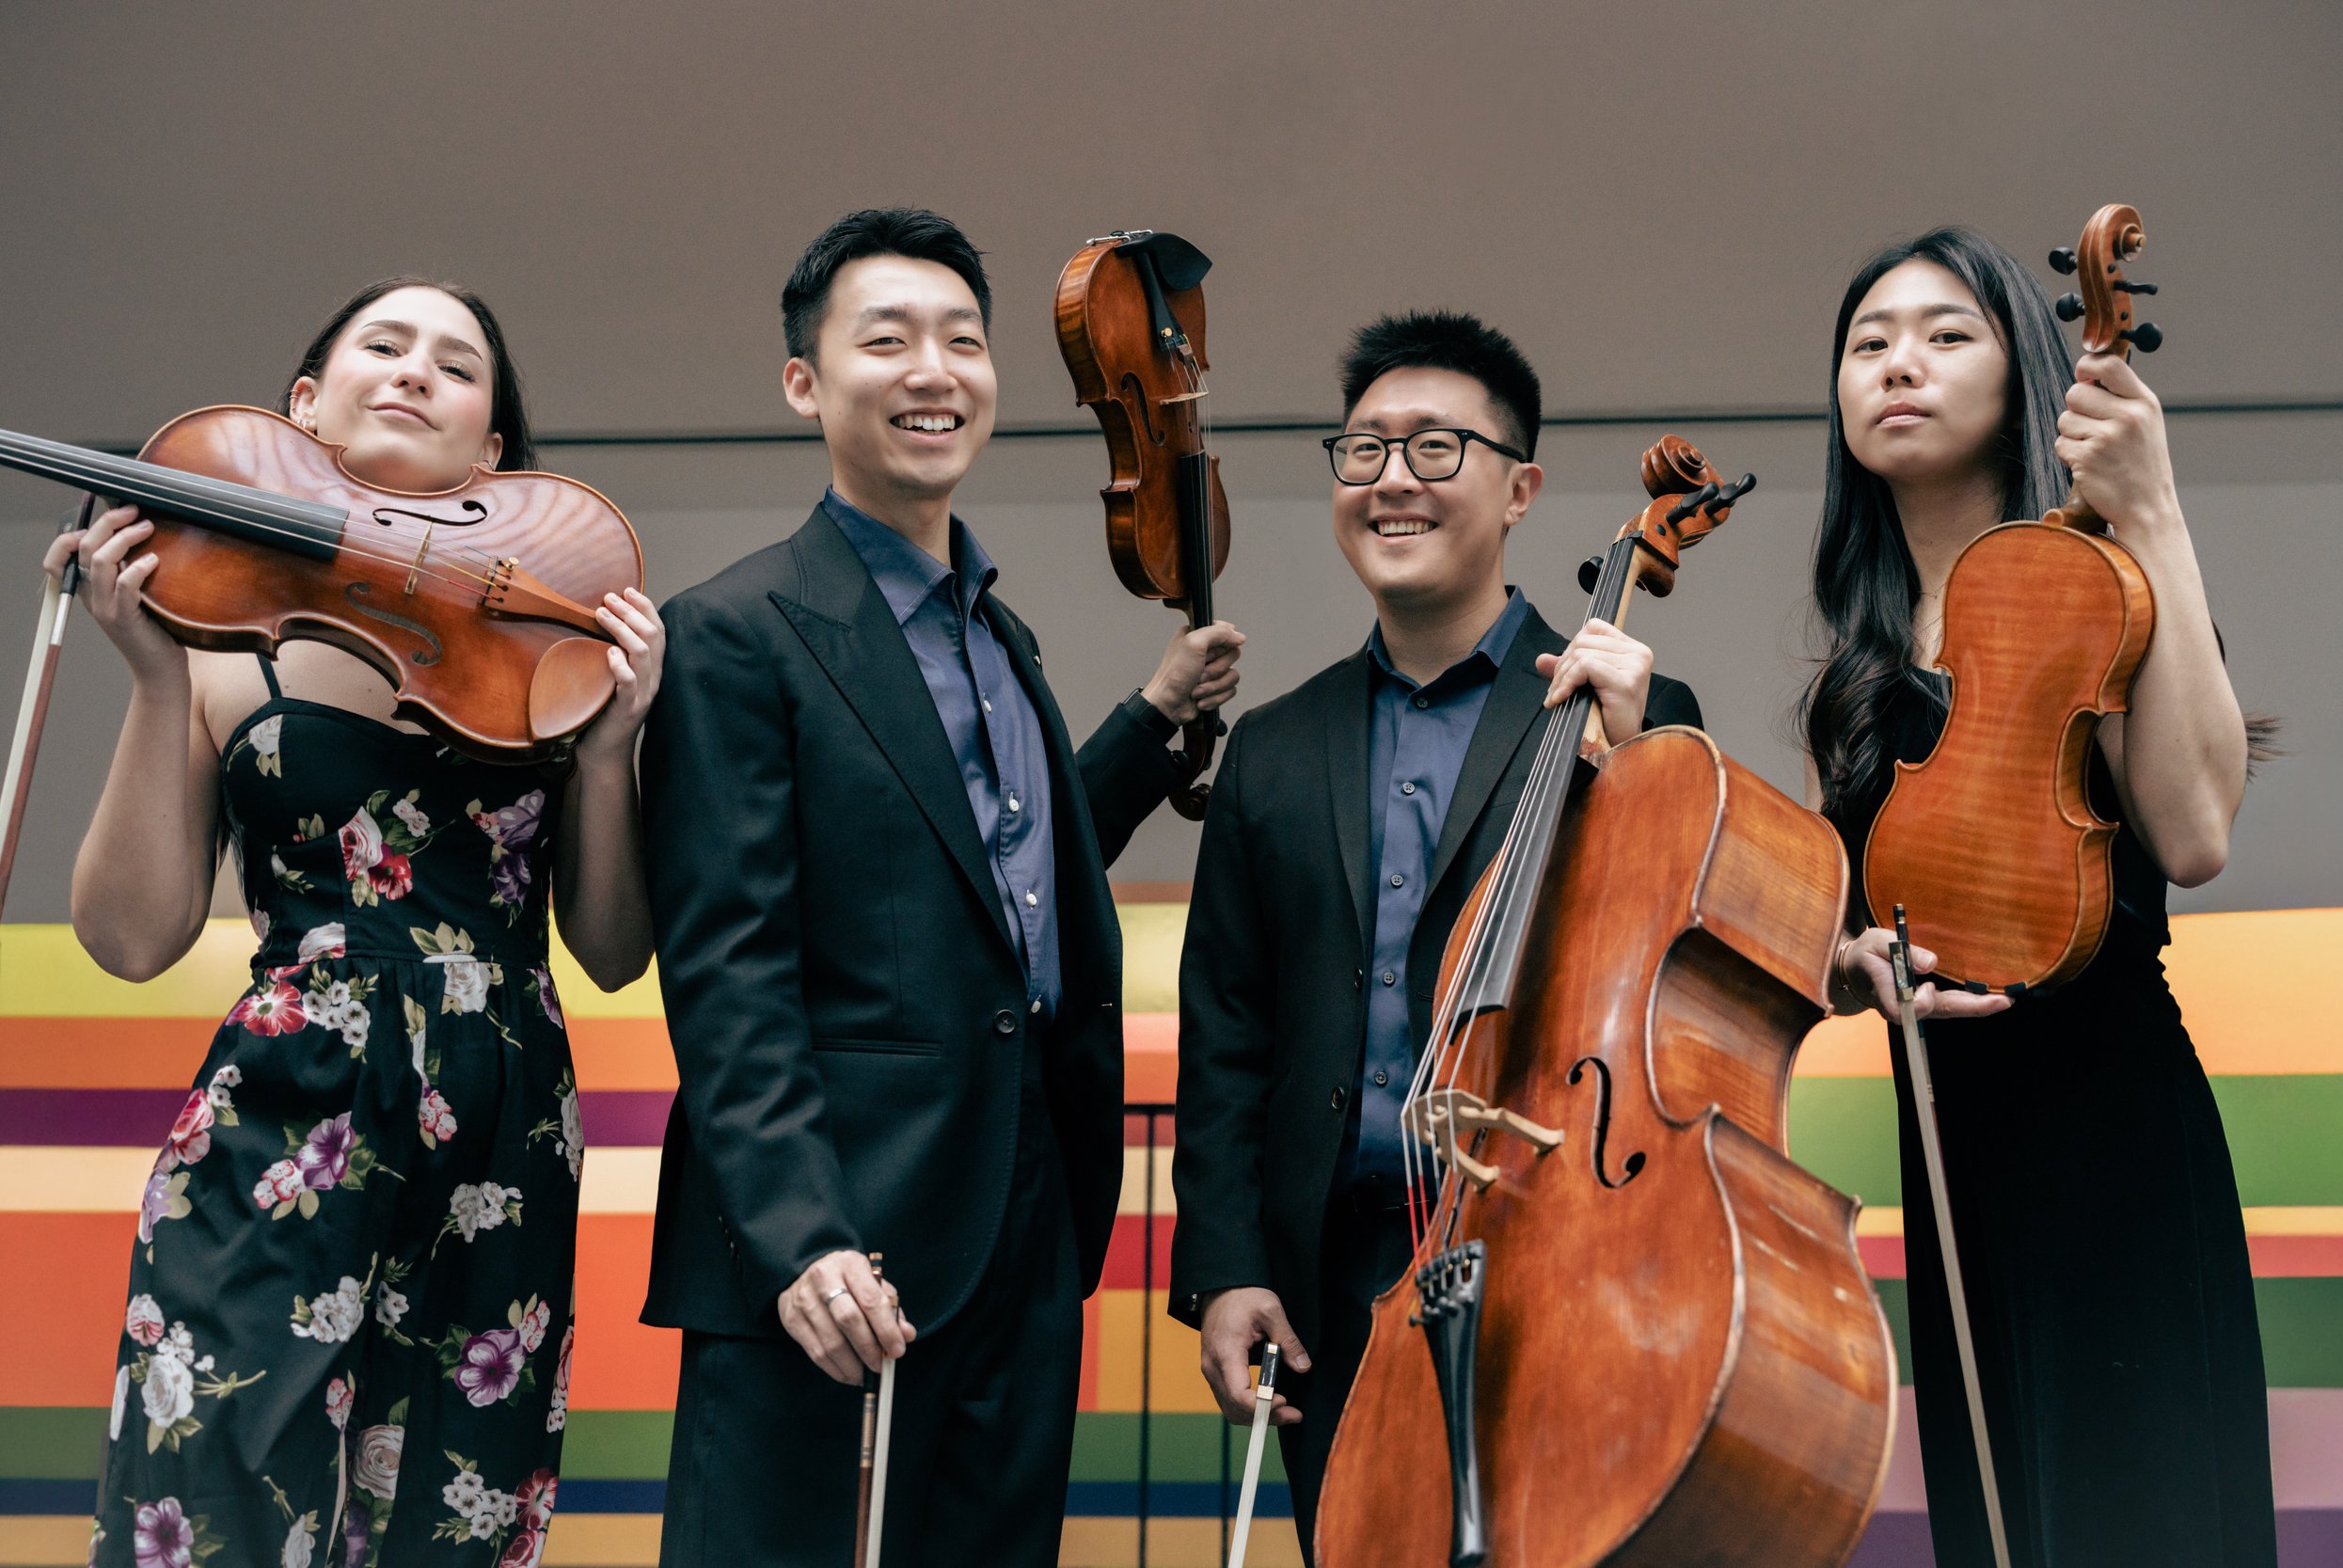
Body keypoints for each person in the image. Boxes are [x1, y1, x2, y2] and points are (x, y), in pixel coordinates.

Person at [637, 207, 1243, 1567]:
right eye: (888, 340)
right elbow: (727, 967)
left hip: (1026, 1211)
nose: (935, 370)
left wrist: (1147, 726)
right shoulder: (732, 633)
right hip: (841, 1240)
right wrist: (801, 1236)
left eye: (963, 342)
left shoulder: (996, 632)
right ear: (806, 384)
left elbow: (985, 889)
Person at [55, 277, 666, 1567]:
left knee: (454, 1504)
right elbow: (129, 937)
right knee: (211, 1477)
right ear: (305, 405)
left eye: (456, 367)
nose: (413, 374)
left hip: (502, 1120)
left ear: (492, 455)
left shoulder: (548, 666)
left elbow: (612, 952)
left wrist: (609, 753)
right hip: (288, 1102)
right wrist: (152, 678)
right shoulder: (225, 647)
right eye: (380, 347)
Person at [1167, 310, 1701, 1553]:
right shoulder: (1276, 748)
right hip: (1334, 1275)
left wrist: (1648, 760)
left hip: (1556, 1250)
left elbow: (1679, 968)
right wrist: (1227, 1266)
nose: (1393, 479)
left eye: (1436, 449)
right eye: (1363, 452)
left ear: (1521, 489)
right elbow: (1227, 1035)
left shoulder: (1623, 704)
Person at [1806, 228, 2275, 1565]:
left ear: (2026, 373)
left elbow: (2193, 837)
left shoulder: (2099, 588)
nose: (1900, 362)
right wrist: (1853, 969)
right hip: (1954, 1154)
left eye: (1947, 334)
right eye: (1869, 340)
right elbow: (1848, 932)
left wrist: (2155, 514)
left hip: (2110, 1136)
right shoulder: (1859, 668)